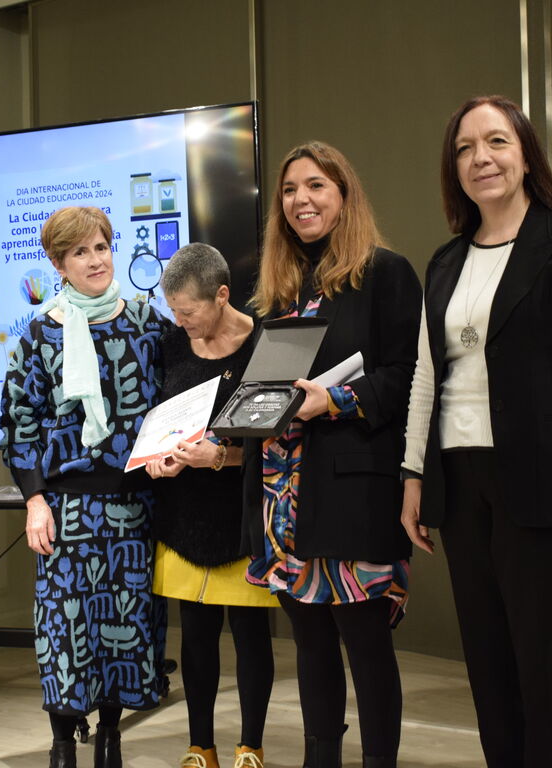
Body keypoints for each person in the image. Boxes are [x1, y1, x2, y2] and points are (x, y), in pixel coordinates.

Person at [400, 95, 552, 768]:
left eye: (497, 141)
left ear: (526, 154)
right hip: (461, 485)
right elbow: (424, 381)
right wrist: (412, 476)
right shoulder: (445, 262)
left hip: (545, 484)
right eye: (465, 148)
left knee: (547, 673)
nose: (481, 158)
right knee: (490, 668)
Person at [243, 142, 421, 768]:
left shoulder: (386, 273)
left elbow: (409, 376)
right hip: (281, 495)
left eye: (316, 185)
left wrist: (336, 400)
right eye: (290, 189)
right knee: (311, 645)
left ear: (344, 194)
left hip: (351, 491)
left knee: (366, 648)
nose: (301, 200)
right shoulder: (279, 290)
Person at [0, 206, 169, 768]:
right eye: (80, 252)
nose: (95, 260)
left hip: (135, 504)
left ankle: (112, 738)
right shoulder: (40, 333)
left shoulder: (147, 322)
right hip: (66, 508)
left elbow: (177, 399)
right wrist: (34, 500)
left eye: (101, 247)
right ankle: (62, 743)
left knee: (126, 625)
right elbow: (19, 423)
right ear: (59, 264)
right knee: (64, 630)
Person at [143, 243, 277, 768]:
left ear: (222, 295)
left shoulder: (265, 346)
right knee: (196, 637)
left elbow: (279, 442)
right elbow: (157, 422)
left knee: (250, 636)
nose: (181, 322)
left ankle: (251, 746)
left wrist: (219, 456)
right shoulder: (171, 345)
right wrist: (158, 459)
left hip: (244, 517)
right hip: (184, 519)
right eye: (174, 312)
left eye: (189, 312)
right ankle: (200, 747)